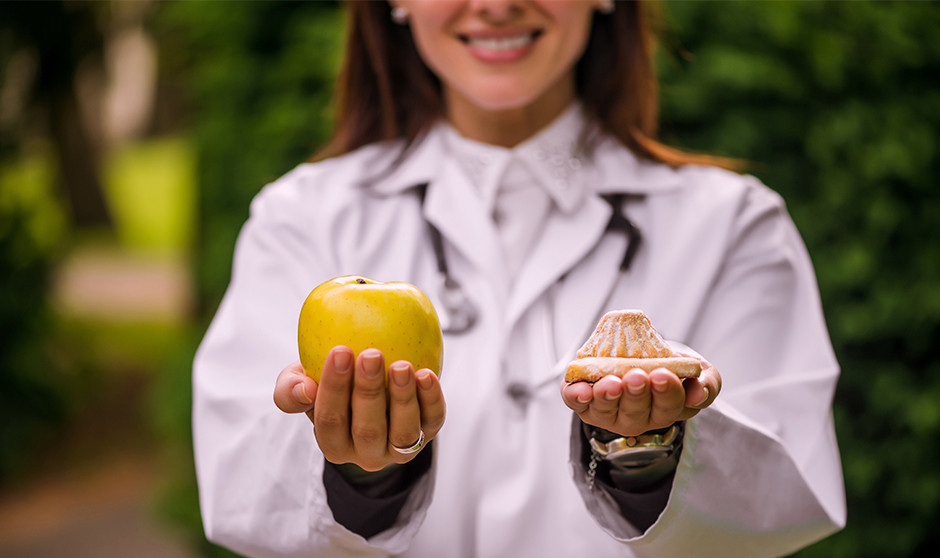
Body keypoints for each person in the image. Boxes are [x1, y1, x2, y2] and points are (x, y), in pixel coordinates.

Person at [192, 1, 846, 556]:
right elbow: (240, 489)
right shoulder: (301, 218)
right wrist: (365, 478)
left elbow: (782, 504)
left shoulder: (733, 226)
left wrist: (645, 459)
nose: (497, 4)